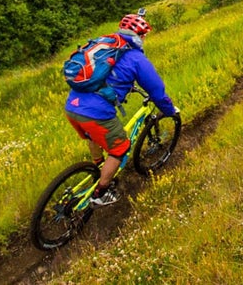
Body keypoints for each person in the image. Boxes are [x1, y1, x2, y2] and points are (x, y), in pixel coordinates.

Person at [64, 11, 178, 206]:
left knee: (93, 136)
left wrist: (124, 85)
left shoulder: (107, 44)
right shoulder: (135, 58)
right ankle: (100, 193)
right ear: (140, 36)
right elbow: (157, 91)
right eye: (144, 36)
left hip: (72, 107)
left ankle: (99, 165)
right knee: (120, 149)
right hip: (95, 114)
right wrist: (169, 110)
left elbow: (105, 75)